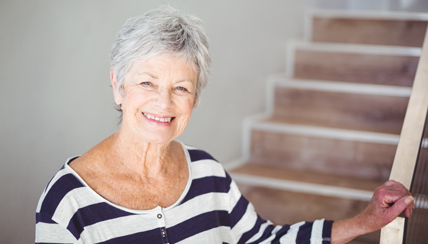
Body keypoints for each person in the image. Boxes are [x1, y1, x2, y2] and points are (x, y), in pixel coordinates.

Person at [35, 5, 414, 244]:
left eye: (180, 87)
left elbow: (265, 240)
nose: (163, 103)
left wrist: (364, 222)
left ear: (194, 99)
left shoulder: (207, 172)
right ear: (118, 85)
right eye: (147, 82)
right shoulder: (68, 202)